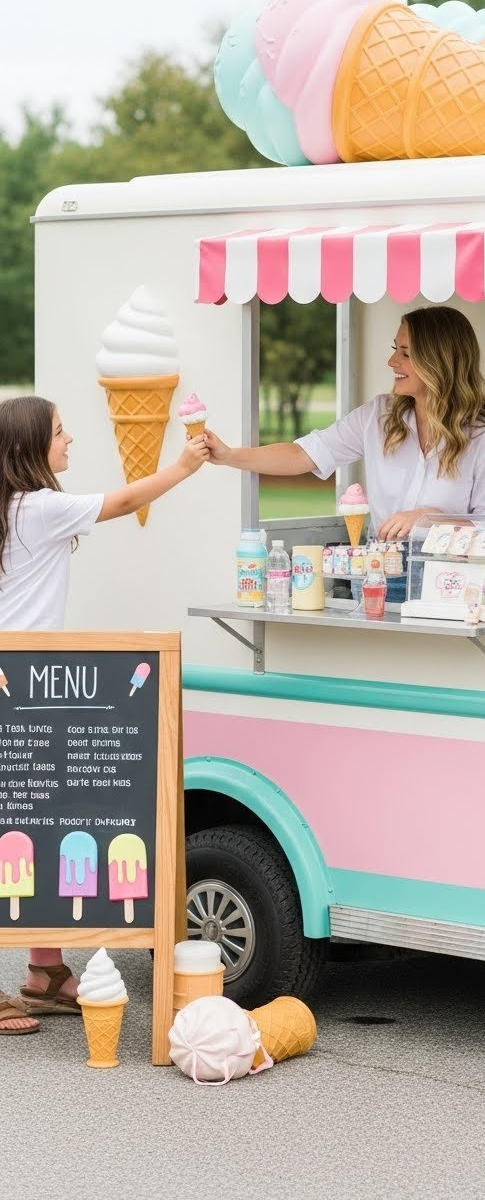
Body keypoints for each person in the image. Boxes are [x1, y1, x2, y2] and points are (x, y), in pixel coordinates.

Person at [0, 394, 208, 1035]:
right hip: (19, 685)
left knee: (33, 824)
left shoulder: (15, 510)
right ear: (33, 447)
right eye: (61, 433)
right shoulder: (37, 507)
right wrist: (183, 465)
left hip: (22, 684)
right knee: (17, 829)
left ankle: (45, 972)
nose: (70, 442)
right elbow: (119, 503)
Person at [203, 305, 485, 597]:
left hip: (449, 583)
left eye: (406, 353)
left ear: (440, 362)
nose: (393, 362)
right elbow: (303, 454)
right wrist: (230, 455)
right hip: (381, 573)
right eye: (395, 349)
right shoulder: (378, 416)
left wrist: (428, 518)